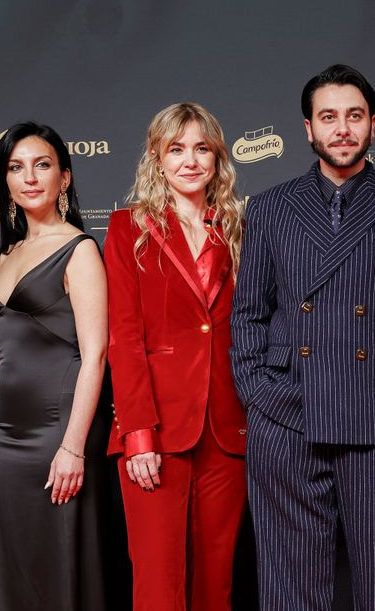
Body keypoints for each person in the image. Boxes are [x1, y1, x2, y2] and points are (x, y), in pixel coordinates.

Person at [230, 64, 375, 610]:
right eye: (329, 117)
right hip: (285, 415)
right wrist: (258, 393)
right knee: (288, 588)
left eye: (354, 116)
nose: (342, 128)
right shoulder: (271, 207)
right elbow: (248, 314)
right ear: (308, 128)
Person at [105, 102, 247, 611]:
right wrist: (138, 432)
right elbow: (123, 336)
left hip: (227, 429)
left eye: (201, 148)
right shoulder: (127, 229)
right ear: (157, 158)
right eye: (176, 148)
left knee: (217, 585)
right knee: (158, 586)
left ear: (217, 159)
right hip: (155, 431)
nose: (190, 160)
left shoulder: (238, 229)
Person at [0, 122, 109, 610]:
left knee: (60, 562)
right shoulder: (3, 255)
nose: (29, 177)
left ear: (65, 177)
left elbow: (96, 353)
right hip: (3, 436)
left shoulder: (80, 250)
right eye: (16, 167)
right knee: (14, 564)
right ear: (5, 182)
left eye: (43, 165)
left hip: (59, 432)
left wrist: (73, 447)